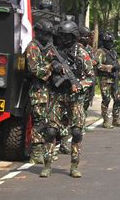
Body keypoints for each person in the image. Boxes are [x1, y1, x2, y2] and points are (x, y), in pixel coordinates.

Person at [40, 20, 94, 178]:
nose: (63, 40)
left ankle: (74, 166)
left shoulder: (81, 54)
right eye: (62, 36)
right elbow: (40, 71)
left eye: (67, 37)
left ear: (74, 37)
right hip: (57, 95)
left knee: (77, 132)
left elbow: (91, 77)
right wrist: (53, 67)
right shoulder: (53, 52)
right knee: (50, 131)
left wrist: (80, 85)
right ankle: (47, 165)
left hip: (75, 97)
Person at [25, 19, 54, 164]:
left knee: (48, 121)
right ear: (39, 32)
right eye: (46, 34)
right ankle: (36, 153)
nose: (48, 37)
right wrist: (51, 69)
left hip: (48, 90)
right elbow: (34, 70)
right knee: (39, 121)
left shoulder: (47, 47)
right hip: (38, 90)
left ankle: (44, 150)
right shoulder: (33, 47)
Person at [95, 31, 120, 129]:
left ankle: (116, 120)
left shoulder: (113, 52)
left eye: (112, 42)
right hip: (105, 79)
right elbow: (97, 65)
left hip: (114, 79)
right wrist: (111, 67)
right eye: (109, 42)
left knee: (118, 99)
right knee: (106, 100)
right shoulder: (100, 52)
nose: (111, 44)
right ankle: (106, 121)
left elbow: (118, 62)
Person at [79, 27, 97, 124]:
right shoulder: (77, 49)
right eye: (85, 36)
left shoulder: (89, 49)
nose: (88, 38)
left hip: (89, 79)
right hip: (81, 80)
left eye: (88, 36)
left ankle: (83, 122)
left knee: (87, 101)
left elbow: (95, 61)